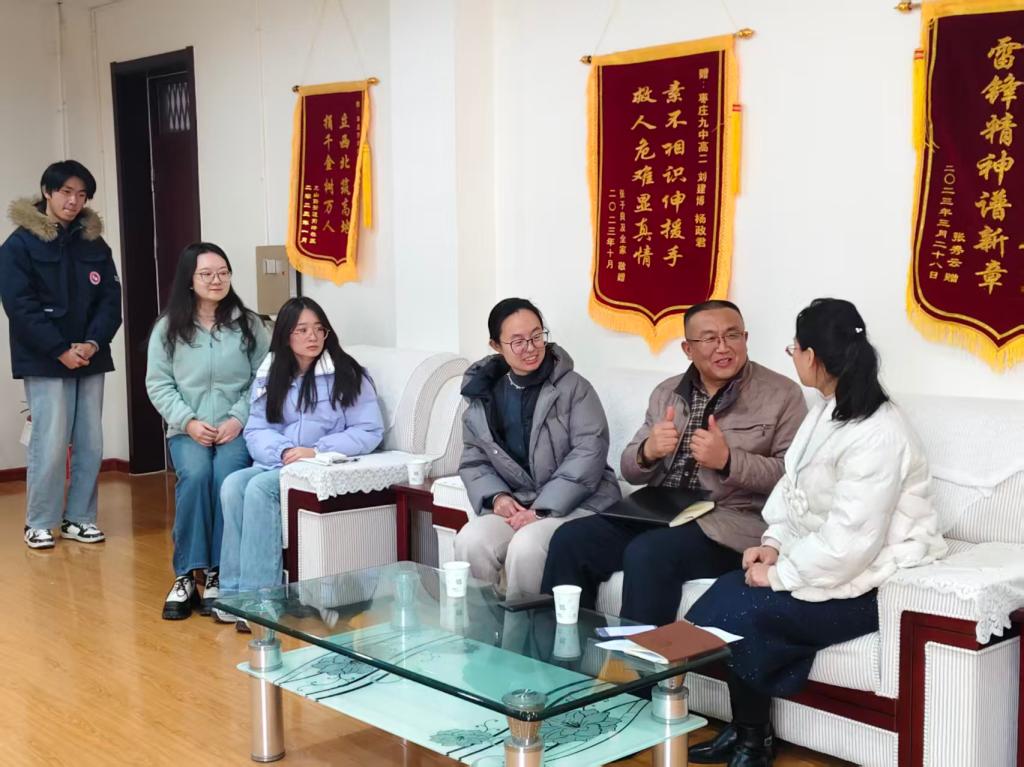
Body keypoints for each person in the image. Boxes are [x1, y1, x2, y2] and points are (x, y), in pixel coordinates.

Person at [685, 298, 947, 767]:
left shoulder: (879, 432)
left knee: (745, 611)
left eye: (794, 348)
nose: (793, 356)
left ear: (813, 356)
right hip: (828, 562)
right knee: (723, 595)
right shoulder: (829, 409)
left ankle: (755, 742)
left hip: (874, 581)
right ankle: (745, 728)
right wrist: (771, 544)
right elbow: (792, 493)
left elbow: (851, 544)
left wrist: (779, 575)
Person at [541, 300, 807, 625]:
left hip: (729, 523)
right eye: (709, 338)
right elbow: (629, 469)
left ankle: (639, 659)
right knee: (570, 540)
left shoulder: (782, 395)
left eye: (732, 335)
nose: (723, 347)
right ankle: (559, 650)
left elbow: (792, 479)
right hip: (658, 511)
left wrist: (728, 461)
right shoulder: (667, 393)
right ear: (687, 348)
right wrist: (648, 451)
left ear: (746, 338)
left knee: (649, 553)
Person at [214, 297, 384, 630]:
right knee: (233, 485)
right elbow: (256, 428)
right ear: (285, 335)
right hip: (280, 461)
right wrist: (282, 451)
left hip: (320, 465)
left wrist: (316, 451)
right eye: (302, 330)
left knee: (260, 489)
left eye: (319, 329)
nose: (312, 337)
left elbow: (369, 431)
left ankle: (262, 600)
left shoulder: (348, 374)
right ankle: (233, 595)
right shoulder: (271, 372)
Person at [454, 298, 621, 599]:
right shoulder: (484, 395)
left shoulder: (574, 388)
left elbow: (589, 451)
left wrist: (542, 509)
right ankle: (481, 627)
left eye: (536, 336)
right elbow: (474, 459)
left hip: (578, 502)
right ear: (496, 345)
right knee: (471, 541)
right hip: (521, 502)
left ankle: (525, 629)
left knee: (527, 546)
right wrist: (497, 497)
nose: (530, 348)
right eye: (518, 341)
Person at [0, 160, 122, 550]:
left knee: (90, 442)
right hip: (45, 358)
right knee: (50, 442)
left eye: (81, 194)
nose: (73, 201)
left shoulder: (94, 243)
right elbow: (20, 307)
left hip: (90, 355)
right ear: (47, 192)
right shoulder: (19, 245)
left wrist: (93, 342)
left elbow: (111, 300)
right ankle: (40, 521)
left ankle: (79, 518)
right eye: (66, 192)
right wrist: (58, 350)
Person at [146, 242, 271, 620]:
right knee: (196, 474)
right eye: (206, 274)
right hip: (188, 428)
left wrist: (239, 418)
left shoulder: (249, 324)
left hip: (237, 427)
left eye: (223, 273)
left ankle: (218, 571)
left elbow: (264, 378)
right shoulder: (168, 328)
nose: (216, 280)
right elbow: (158, 384)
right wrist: (188, 421)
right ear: (190, 279)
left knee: (226, 478)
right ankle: (186, 574)